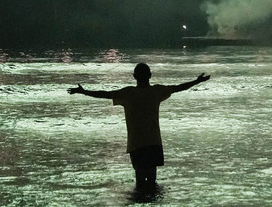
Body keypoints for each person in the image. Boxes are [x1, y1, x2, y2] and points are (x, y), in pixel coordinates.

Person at [68, 62, 210, 188]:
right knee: (153, 181)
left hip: (137, 144)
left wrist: (83, 91)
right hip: (154, 142)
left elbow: (104, 94)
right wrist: (197, 81)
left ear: (134, 76)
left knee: (140, 183)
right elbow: (178, 88)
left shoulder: (128, 93)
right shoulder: (156, 92)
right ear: (150, 75)